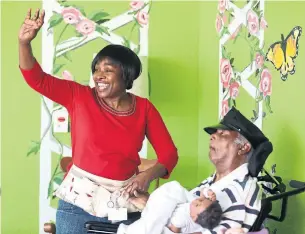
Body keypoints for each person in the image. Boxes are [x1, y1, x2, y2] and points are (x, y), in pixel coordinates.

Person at [18, 8, 178, 233]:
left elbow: (169, 154)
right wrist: (24, 44)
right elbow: (37, 79)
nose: (98, 75)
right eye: (96, 70)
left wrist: (146, 176)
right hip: (77, 209)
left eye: (108, 70)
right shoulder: (79, 96)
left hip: (125, 207)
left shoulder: (144, 108)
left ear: (127, 75)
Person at [129, 107, 270, 234]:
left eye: (223, 133)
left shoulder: (240, 190)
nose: (212, 136)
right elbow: (187, 213)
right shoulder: (212, 182)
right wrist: (151, 202)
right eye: (215, 133)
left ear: (243, 147)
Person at [117, 181, 222, 234]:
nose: (196, 200)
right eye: (201, 200)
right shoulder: (202, 220)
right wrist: (206, 193)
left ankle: (124, 206)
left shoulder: (183, 217)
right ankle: (132, 202)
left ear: (194, 217)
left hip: (158, 215)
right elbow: (200, 197)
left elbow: (173, 229)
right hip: (156, 206)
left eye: (198, 204)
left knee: (149, 221)